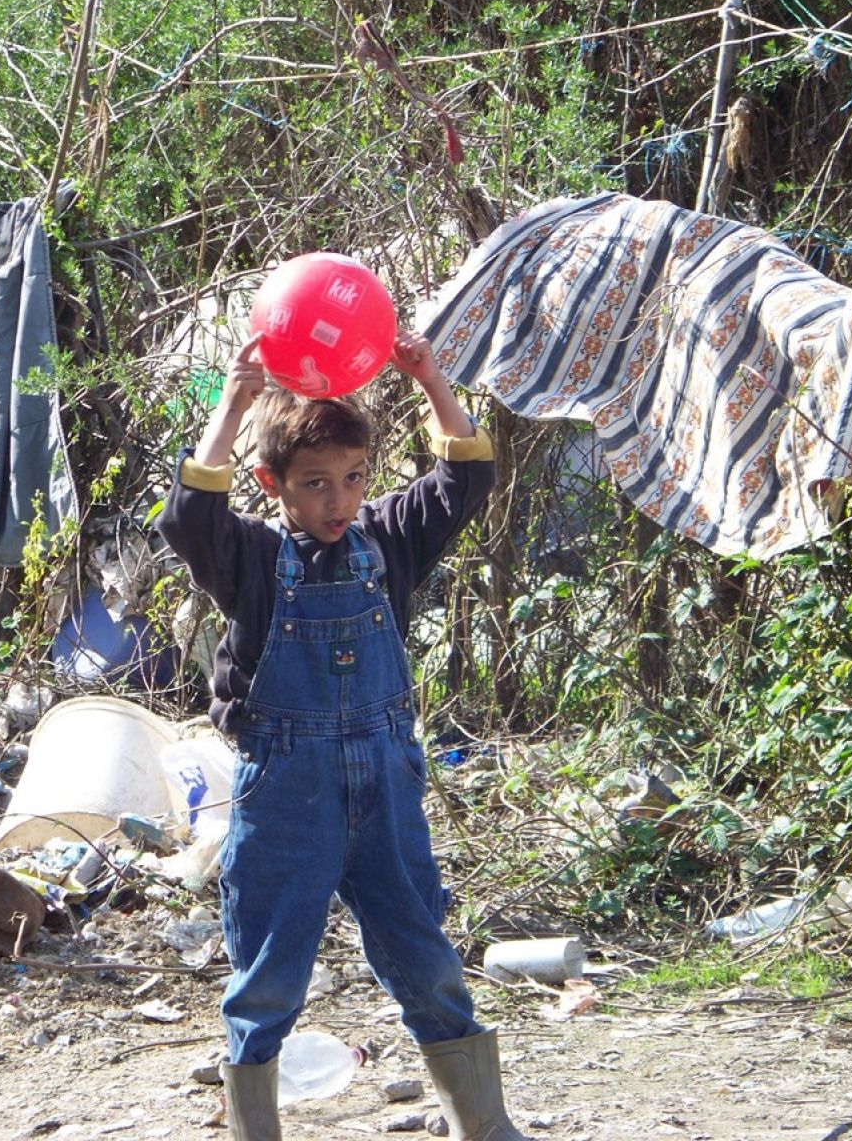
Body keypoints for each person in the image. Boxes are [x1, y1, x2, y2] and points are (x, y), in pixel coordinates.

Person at [156, 329, 528, 1141]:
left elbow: (467, 475)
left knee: (426, 958)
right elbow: (189, 517)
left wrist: (429, 378)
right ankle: (255, 1127)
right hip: (288, 794)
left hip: (386, 788)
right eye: (317, 484)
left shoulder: (389, 540)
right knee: (267, 975)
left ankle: (486, 1126)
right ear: (273, 483)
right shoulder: (251, 559)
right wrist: (234, 402)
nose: (340, 500)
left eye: (354, 479)